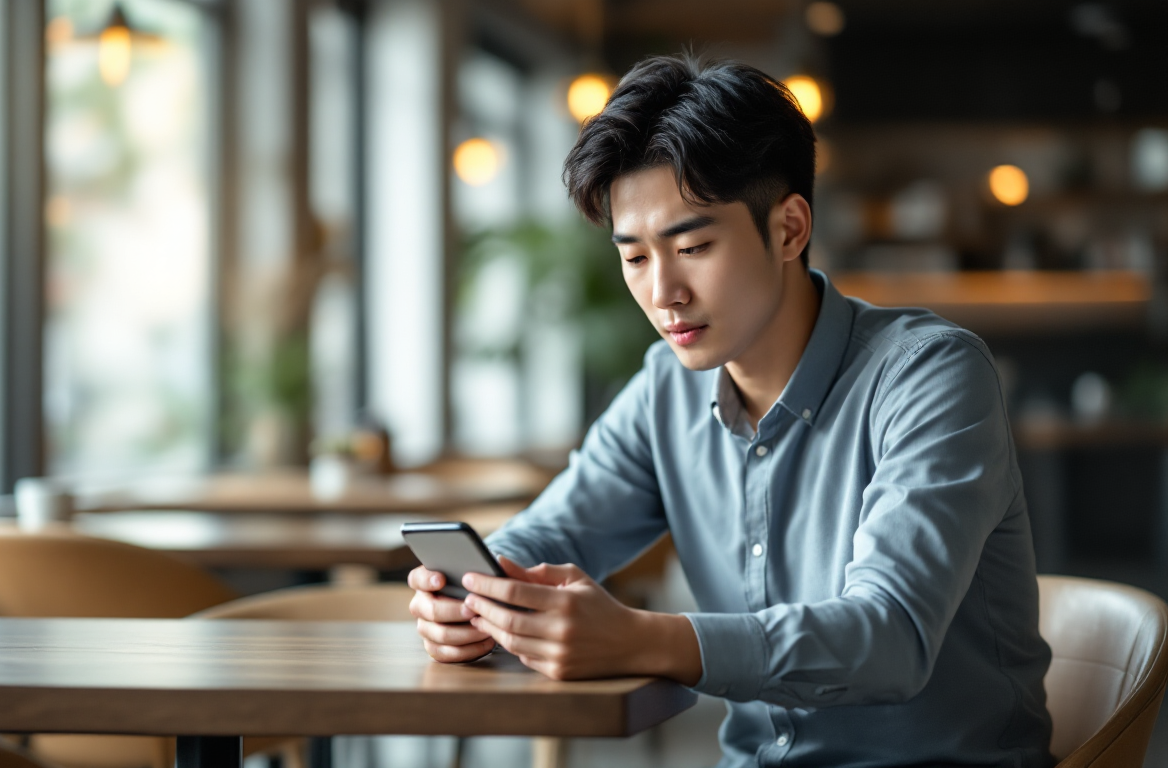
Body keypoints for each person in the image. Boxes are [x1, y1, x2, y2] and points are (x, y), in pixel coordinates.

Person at [408, 54, 1054, 768]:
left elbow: (889, 636)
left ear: (789, 229)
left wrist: (642, 638)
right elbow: (553, 531)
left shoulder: (929, 376)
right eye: (635, 259)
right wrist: (479, 596)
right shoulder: (666, 388)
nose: (664, 293)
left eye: (692, 246)